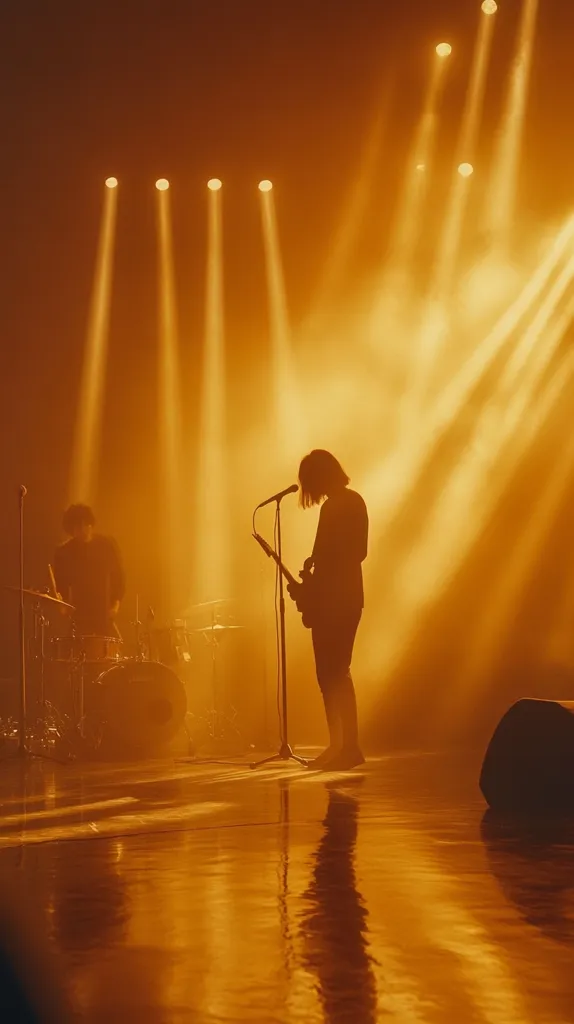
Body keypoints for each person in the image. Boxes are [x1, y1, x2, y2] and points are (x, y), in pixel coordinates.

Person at [290, 450, 368, 770]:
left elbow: (351, 554)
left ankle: (346, 747)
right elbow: (353, 553)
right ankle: (342, 746)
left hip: (338, 601)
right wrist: (314, 573)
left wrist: (314, 583)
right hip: (344, 599)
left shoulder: (339, 505)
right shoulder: (349, 502)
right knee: (333, 674)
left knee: (333, 673)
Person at [53, 504, 125, 637]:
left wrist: (115, 605)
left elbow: (119, 578)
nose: (82, 530)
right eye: (77, 527)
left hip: (104, 612)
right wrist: (61, 603)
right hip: (80, 614)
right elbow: (60, 583)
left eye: (85, 525)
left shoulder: (107, 545)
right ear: (71, 530)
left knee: (111, 651)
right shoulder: (64, 552)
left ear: (91, 524)